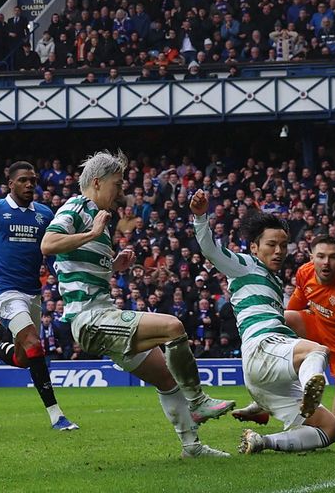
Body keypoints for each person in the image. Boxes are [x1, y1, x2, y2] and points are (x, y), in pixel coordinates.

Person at [40, 150, 233, 458]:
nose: (122, 191)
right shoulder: (77, 208)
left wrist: (114, 265)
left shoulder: (97, 218)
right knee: (173, 327)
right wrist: (91, 232)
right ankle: (197, 401)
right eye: (117, 184)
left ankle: (192, 448)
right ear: (98, 182)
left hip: (104, 315)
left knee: (166, 378)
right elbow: (48, 244)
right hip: (89, 319)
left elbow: (79, 267)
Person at [189, 189, 335, 455]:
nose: (279, 251)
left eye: (283, 245)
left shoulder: (273, 282)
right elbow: (210, 250)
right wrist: (201, 217)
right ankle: (309, 388)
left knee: (330, 429)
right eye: (272, 244)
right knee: (317, 351)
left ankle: (263, 440)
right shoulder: (246, 265)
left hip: (265, 376)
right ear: (255, 247)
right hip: (264, 347)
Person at [0, 161, 78, 431]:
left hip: (33, 292)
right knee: (35, 344)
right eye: (23, 180)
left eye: (33, 180)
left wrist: (59, 272)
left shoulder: (45, 214)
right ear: (10, 183)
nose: (29, 185)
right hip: (5, 292)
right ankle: (57, 415)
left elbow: (51, 253)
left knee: (24, 359)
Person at [233, 234, 335, 425]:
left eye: (332, 257)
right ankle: (265, 402)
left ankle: (270, 406)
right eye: (320, 256)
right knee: (282, 318)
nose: (326, 262)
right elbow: (293, 309)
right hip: (316, 329)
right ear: (311, 256)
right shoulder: (304, 273)